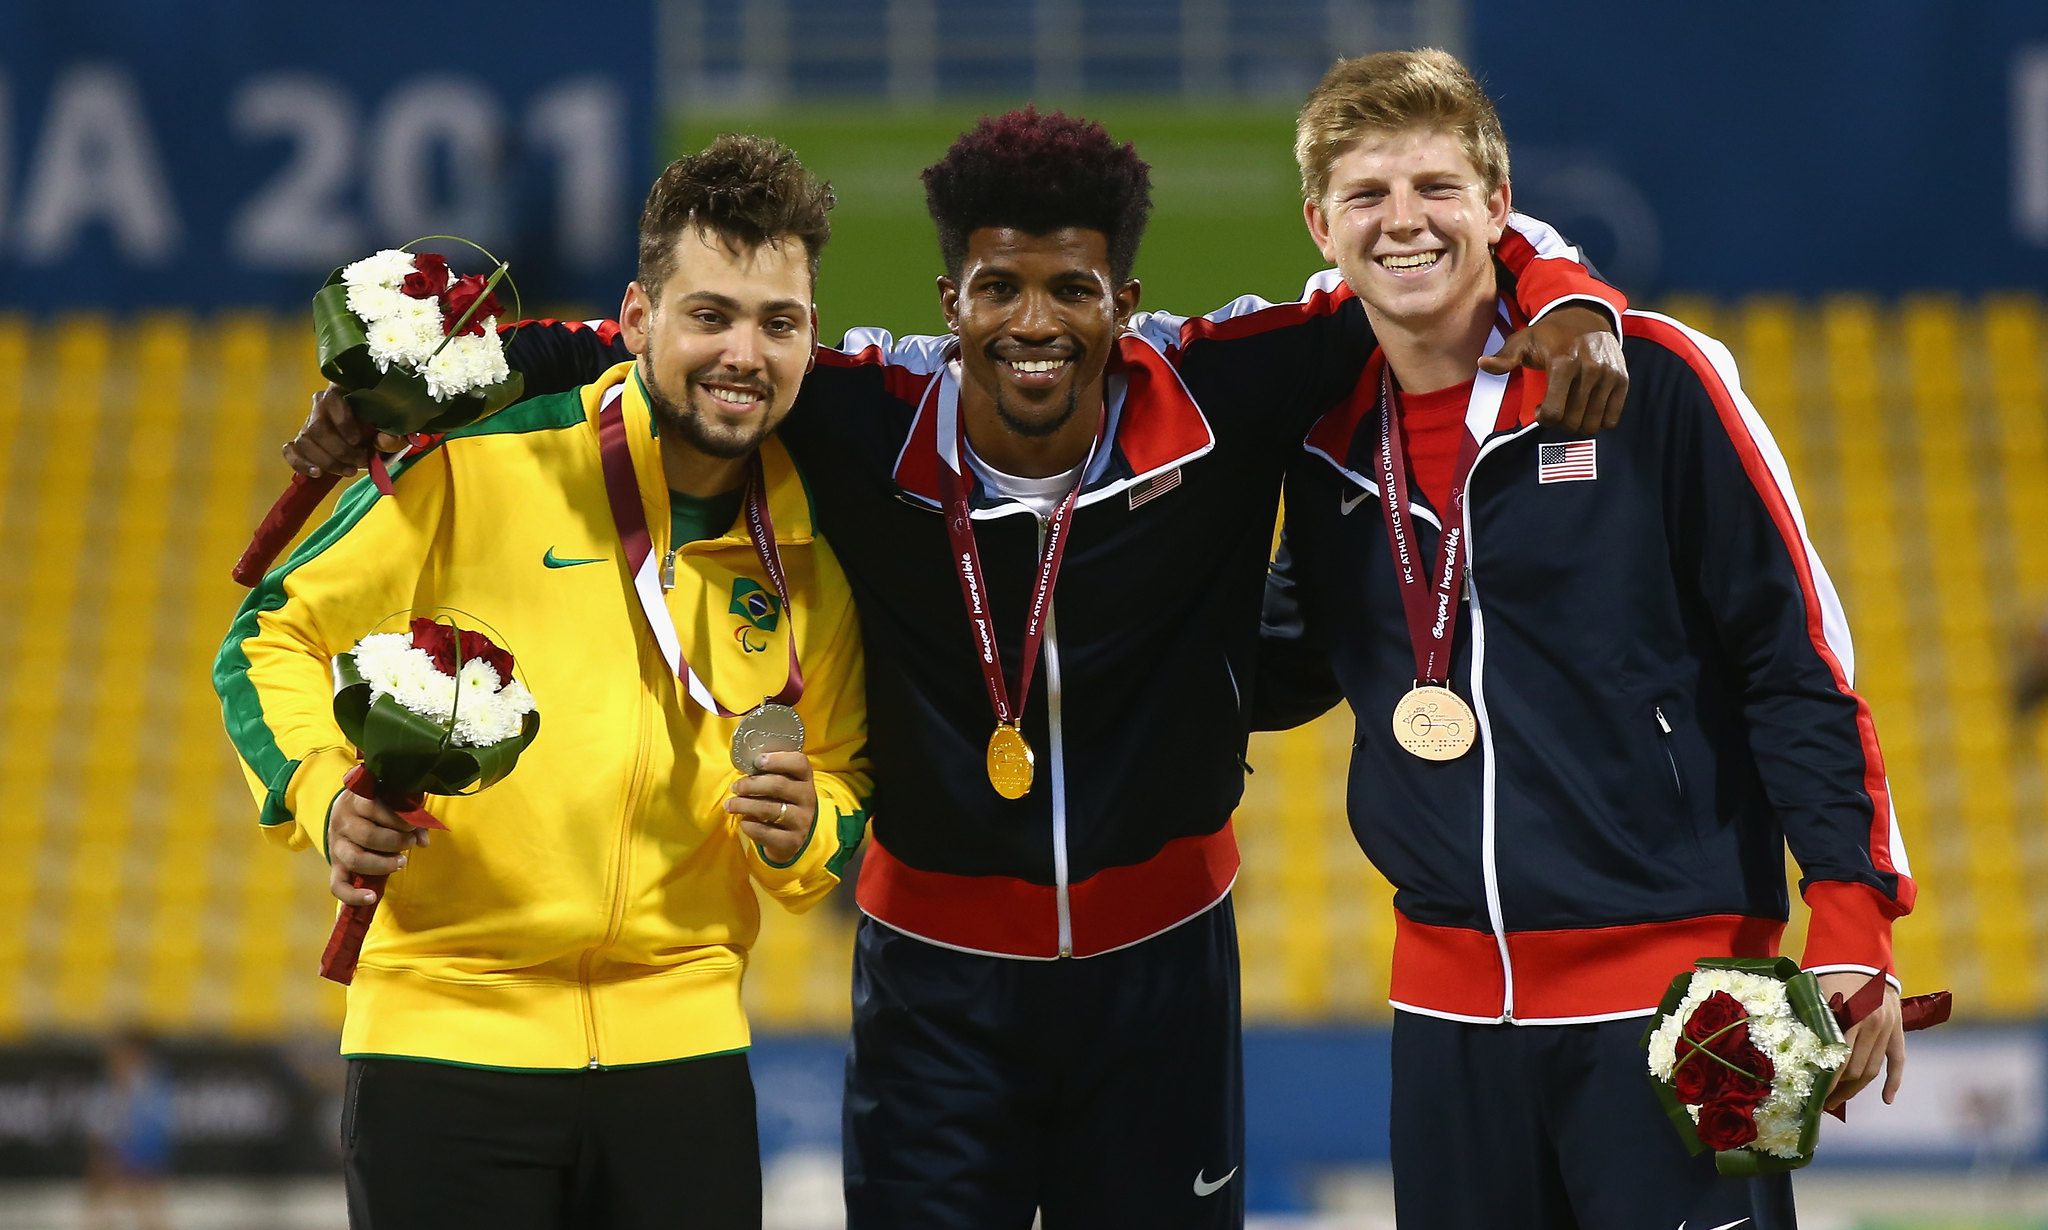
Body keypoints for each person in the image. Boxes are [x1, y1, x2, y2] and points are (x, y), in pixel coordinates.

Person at [280, 108, 1627, 1227]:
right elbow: (663, 352)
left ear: (1128, 302)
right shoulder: (859, 411)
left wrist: (1564, 293)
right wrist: (419, 382)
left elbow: (1424, 260)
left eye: (1072, 289)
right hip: (931, 984)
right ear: (950, 302)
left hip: (1160, 973)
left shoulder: (1228, 389)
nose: (1032, 321)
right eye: (998, 288)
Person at [1256, 50, 1913, 1229]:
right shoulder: (1320, 426)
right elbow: (1292, 654)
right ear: (1318, 222)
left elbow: (1794, 662)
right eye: (1364, 196)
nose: (1402, 221)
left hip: (1687, 999)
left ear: (1499, 208)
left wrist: (1852, 924)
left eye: (1435, 189)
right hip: (1449, 1012)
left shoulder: (1652, 379)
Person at [214, 135, 872, 1229]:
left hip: (686, 1054)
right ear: (635, 318)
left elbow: (845, 791)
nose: (743, 352)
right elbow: (267, 635)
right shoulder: (481, 451)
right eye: (708, 314)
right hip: (445, 1036)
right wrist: (322, 793)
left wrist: (807, 827)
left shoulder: (814, 540)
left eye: (777, 322)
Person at [82, 1031, 172, 1230]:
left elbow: (156, 1131)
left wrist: (134, 1156)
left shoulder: (150, 1089)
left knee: (149, 1208)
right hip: (114, 1155)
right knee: (101, 1202)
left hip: (143, 1156)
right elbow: (97, 1129)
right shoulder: (106, 1090)